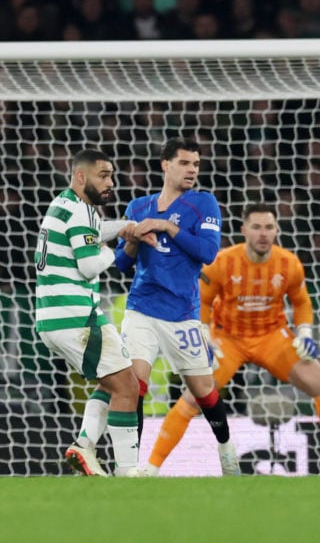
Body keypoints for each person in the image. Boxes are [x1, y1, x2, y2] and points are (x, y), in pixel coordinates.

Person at [143, 203, 320, 476]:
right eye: (256, 227)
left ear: (277, 231)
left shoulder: (289, 263)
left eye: (269, 227)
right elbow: (202, 301)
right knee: (193, 397)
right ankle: (150, 469)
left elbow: (302, 302)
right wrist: (205, 335)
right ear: (244, 230)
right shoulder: (222, 261)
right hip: (228, 339)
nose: (263, 234)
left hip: (272, 336)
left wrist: (304, 333)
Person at [115, 138, 241, 476]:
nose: (192, 170)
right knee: (134, 385)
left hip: (183, 314)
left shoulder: (204, 203)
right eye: (185, 163)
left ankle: (226, 448)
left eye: (196, 165)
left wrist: (167, 226)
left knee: (203, 391)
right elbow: (121, 265)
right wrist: (131, 241)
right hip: (141, 308)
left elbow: (208, 252)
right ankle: (130, 467)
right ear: (165, 165)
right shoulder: (138, 207)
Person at [35, 149, 141, 477]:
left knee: (111, 381)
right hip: (77, 317)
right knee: (127, 386)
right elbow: (89, 265)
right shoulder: (81, 212)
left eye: (111, 175)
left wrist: (124, 226)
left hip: (56, 317)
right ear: (81, 177)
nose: (110, 182)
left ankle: (84, 445)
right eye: (103, 175)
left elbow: (92, 232)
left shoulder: (64, 204)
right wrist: (115, 249)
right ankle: (127, 472)